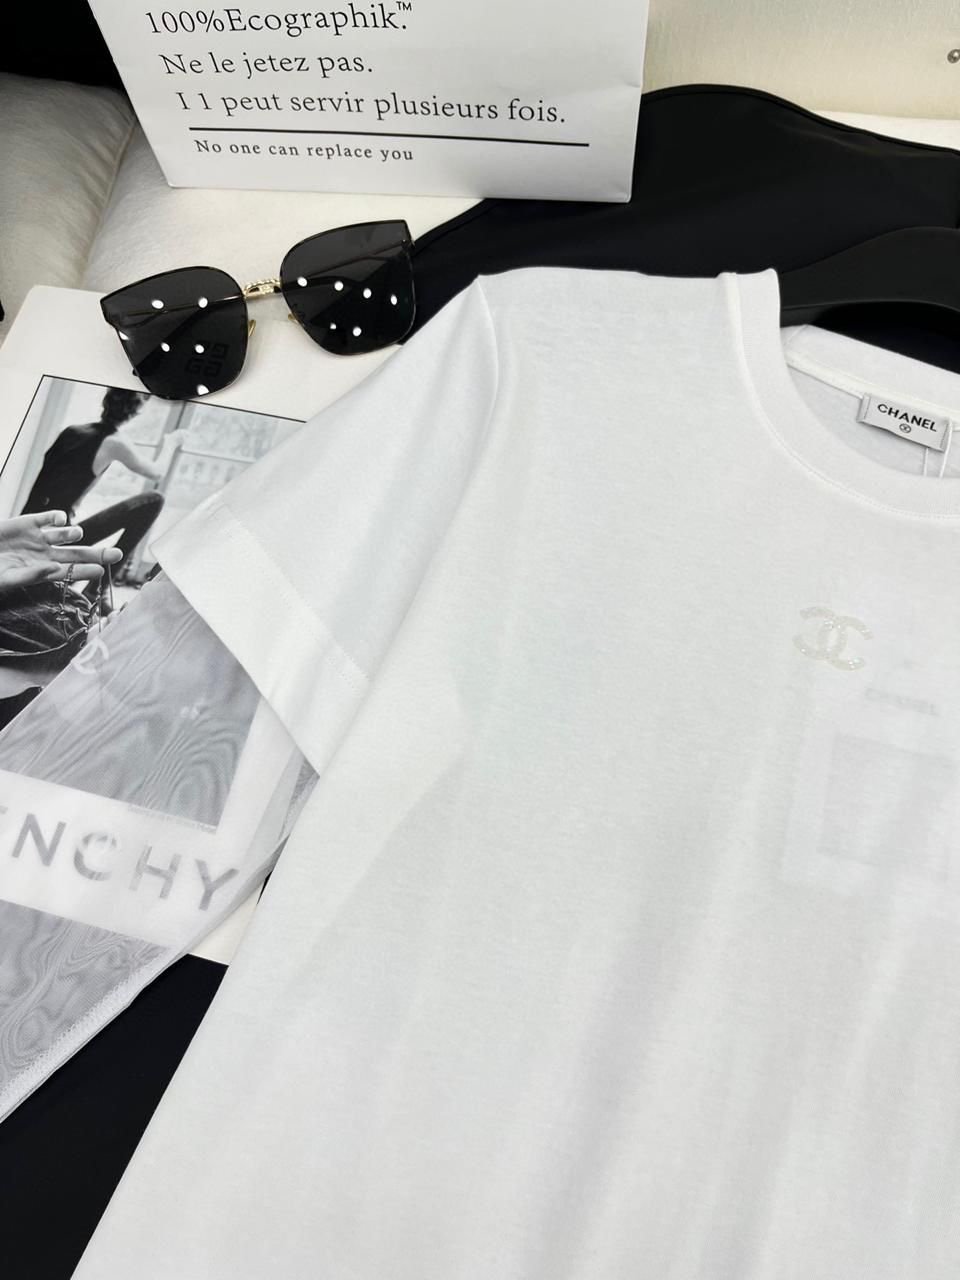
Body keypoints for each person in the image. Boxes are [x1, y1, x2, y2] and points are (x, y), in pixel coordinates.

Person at [21, 387, 184, 585]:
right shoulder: (114, 443)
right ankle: (98, 588)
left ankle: (81, 580)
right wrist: (171, 442)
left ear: (106, 401)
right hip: (56, 544)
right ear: (135, 412)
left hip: (27, 534)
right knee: (154, 500)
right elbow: (156, 472)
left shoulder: (71, 431)